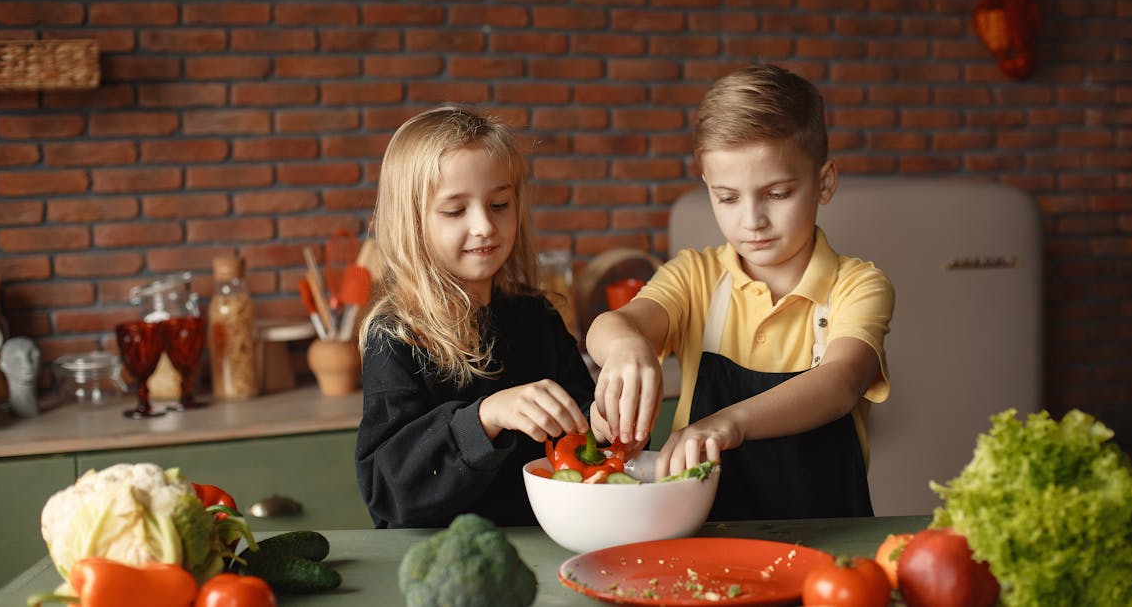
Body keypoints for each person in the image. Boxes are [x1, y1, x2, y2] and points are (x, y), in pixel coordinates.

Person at [585, 64, 894, 521]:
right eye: (728, 198)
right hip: (702, 534)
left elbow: (840, 383)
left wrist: (726, 424)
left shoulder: (858, 285)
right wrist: (629, 349)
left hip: (830, 539)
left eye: (778, 194)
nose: (752, 221)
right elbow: (614, 325)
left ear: (824, 182)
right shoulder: (696, 276)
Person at [355, 106, 594, 528]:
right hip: (443, 564)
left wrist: (611, 416)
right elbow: (389, 492)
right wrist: (486, 417)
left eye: (499, 204)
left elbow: (585, 440)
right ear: (412, 222)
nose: (485, 225)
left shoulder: (537, 316)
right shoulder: (396, 335)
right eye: (455, 211)